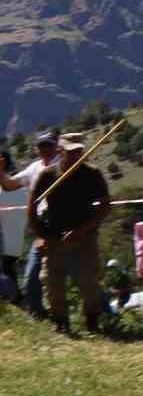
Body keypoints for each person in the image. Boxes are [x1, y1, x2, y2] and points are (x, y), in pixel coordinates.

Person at [28, 139, 111, 335]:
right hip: (53, 236)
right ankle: (60, 323)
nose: (76, 156)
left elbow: (105, 205)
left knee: (88, 281)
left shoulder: (92, 174)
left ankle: (92, 323)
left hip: (85, 238)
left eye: (79, 152)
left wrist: (83, 230)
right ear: (60, 151)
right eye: (70, 152)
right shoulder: (47, 175)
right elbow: (32, 207)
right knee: (52, 281)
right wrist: (40, 235)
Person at [13, 131, 61, 318]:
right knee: (31, 277)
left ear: (56, 146)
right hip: (43, 228)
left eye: (48, 145)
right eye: (41, 146)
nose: (45, 149)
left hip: (64, 227)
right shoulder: (34, 168)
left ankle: (104, 311)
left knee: (81, 274)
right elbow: (11, 184)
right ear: (36, 148)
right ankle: (37, 314)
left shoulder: (62, 165)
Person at [0, 152, 27, 302]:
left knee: (7, 265)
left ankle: (15, 298)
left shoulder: (14, 183)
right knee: (8, 266)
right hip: (12, 234)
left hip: (11, 233)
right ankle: (15, 297)